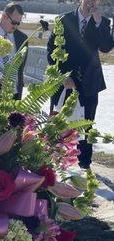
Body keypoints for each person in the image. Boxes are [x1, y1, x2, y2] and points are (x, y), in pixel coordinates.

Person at [47, 0, 114, 169]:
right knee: (58, 122)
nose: (91, 2)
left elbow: (106, 47)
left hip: (90, 83)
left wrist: (99, 22)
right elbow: (51, 50)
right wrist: (62, 76)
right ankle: (53, 161)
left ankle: (84, 164)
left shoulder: (103, 22)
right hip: (65, 83)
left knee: (86, 124)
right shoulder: (63, 20)